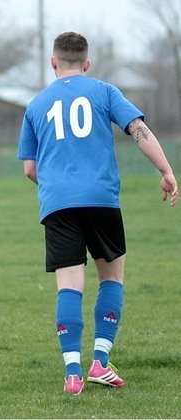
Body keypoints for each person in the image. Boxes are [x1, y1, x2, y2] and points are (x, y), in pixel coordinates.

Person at [17, 32, 178, 395]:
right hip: (101, 199)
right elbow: (139, 130)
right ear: (87, 64)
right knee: (111, 279)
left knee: (69, 286)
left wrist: (57, 185)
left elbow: (29, 168)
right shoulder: (104, 91)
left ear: (53, 62)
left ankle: (72, 373)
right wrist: (166, 171)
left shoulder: (37, 104)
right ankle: (100, 363)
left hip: (58, 203)